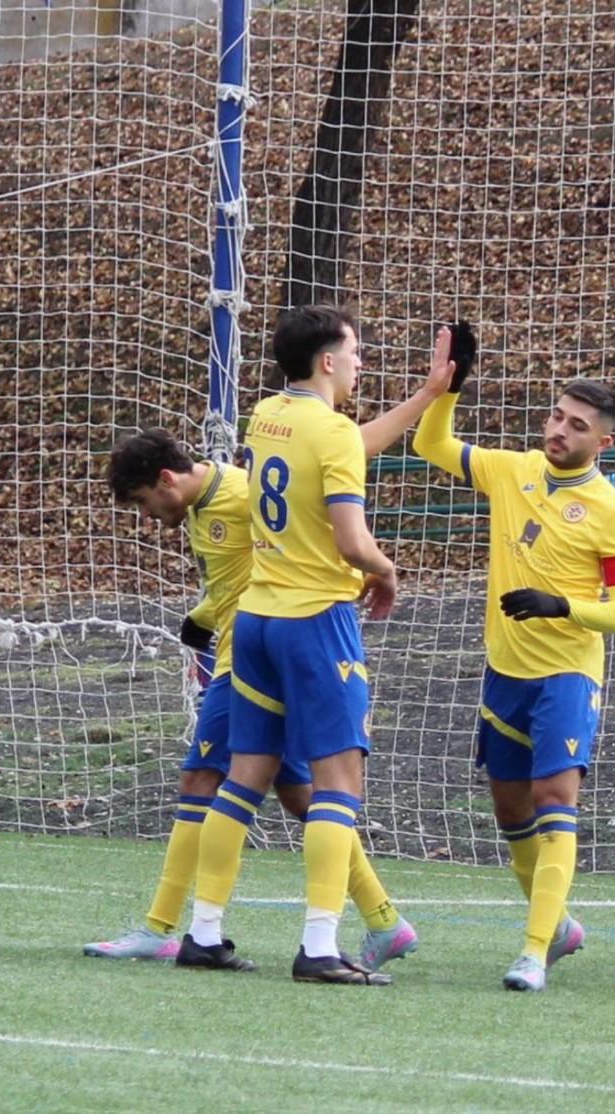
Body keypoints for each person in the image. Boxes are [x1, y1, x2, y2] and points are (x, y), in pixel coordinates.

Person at [85, 342, 449, 965]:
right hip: (264, 641)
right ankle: (382, 920)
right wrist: (202, 618)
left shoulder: (238, 492)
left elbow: (300, 527)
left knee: (216, 779)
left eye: (145, 502)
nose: (148, 515)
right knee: (299, 792)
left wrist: (370, 566)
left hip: (267, 646)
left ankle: (166, 927)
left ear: (167, 480)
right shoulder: (217, 489)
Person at [174, 306, 435, 985]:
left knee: (245, 778)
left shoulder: (267, 416)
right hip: (316, 620)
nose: (359, 362)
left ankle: (203, 933)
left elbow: (343, 446)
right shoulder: (332, 431)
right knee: (338, 783)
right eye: (354, 351)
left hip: (255, 621)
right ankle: (320, 945)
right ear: (326, 360)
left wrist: (428, 394)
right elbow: (351, 540)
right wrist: (386, 570)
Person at [412, 350, 615, 992]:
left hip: (567, 673)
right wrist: (449, 388)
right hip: (504, 671)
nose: (559, 430)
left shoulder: (611, 510)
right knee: (510, 807)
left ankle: (535, 951)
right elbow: (431, 443)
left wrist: (561, 606)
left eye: (576, 425)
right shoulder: (512, 470)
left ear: (603, 442)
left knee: (554, 800)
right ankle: (559, 925)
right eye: (557, 416)